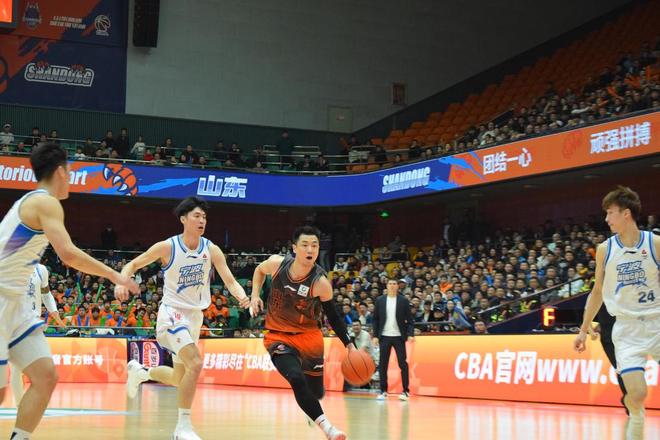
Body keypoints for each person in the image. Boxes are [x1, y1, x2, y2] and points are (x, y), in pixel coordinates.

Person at [0, 143, 138, 440]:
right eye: (70, 171)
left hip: (16, 303)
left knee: (45, 376)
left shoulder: (34, 202)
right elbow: (68, 254)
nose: (71, 177)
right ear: (61, 171)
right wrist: (116, 275)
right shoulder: (45, 202)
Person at [118, 196, 250, 440]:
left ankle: (142, 372)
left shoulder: (211, 249)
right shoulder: (168, 247)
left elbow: (230, 281)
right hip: (172, 314)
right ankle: (182, 428)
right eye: (197, 216)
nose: (202, 221)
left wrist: (244, 298)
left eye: (204, 217)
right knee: (196, 363)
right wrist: (121, 281)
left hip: (194, 317)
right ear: (183, 219)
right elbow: (133, 264)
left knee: (179, 378)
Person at [249, 226, 354, 440]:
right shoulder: (277, 264)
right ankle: (329, 429)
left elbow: (333, 317)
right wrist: (254, 295)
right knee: (296, 378)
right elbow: (259, 270)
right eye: (305, 245)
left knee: (316, 393)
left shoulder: (320, 283)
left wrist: (350, 345)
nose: (310, 249)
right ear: (294, 248)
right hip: (278, 335)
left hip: (309, 338)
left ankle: (311, 409)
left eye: (314, 245)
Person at [574, 186, 659, 440]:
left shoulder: (654, 244)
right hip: (627, 329)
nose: (607, 219)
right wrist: (583, 329)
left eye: (610, 213)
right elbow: (598, 291)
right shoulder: (605, 249)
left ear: (626, 213)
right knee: (638, 393)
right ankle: (635, 412)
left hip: (657, 321)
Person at [11, 264, 65, 406]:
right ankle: (20, 406)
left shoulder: (41, 270)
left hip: (34, 323)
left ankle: (27, 405)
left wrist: (55, 313)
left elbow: (46, 294)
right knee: (17, 368)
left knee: (43, 368)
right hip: (14, 323)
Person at [372, 278, 414, 401]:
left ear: (397, 286)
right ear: (386, 285)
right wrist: (375, 336)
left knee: (403, 364)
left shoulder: (403, 301)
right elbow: (375, 320)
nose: (392, 285)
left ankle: (405, 391)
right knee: (383, 365)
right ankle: (383, 391)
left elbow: (410, 320)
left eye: (394, 284)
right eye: (390, 283)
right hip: (384, 336)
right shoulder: (380, 300)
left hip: (399, 337)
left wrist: (410, 334)